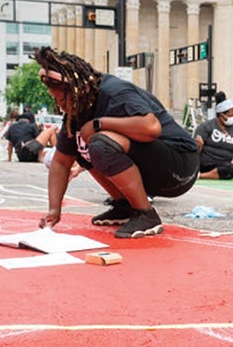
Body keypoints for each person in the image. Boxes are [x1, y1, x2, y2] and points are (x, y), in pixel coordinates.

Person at [34, 48, 199, 239]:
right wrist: (54, 209)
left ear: (77, 89)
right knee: (83, 144)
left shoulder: (114, 91)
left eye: (62, 99)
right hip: (155, 169)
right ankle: (125, 205)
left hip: (180, 165)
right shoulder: (77, 112)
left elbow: (151, 127)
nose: (60, 105)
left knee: (100, 143)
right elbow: (61, 162)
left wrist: (99, 123)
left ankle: (145, 213)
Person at [195, 93, 233, 180]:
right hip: (205, 164)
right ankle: (199, 174)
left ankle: (201, 176)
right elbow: (195, 151)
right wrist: (198, 146)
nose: (232, 118)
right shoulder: (206, 127)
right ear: (221, 115)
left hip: (223, 166)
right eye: (230, 115)